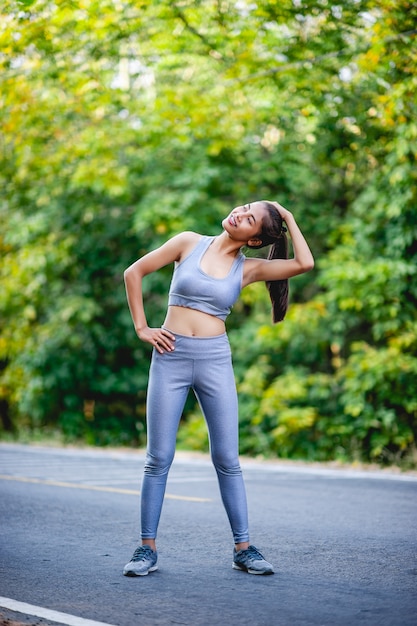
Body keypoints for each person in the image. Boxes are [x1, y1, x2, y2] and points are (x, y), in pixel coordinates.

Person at [123, 200, 314, 576]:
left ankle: (243, 549)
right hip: (170, 356)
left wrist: (288, 217)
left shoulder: (249, 268)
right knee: (158, 458)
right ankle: (147, 549)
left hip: (214, 361)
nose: (239, 213)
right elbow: (134, 272)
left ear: (255, 240)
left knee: (227, 460)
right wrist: (143, 328)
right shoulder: (188, 242)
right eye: (243, 207)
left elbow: (304, 264)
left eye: (250, 218)